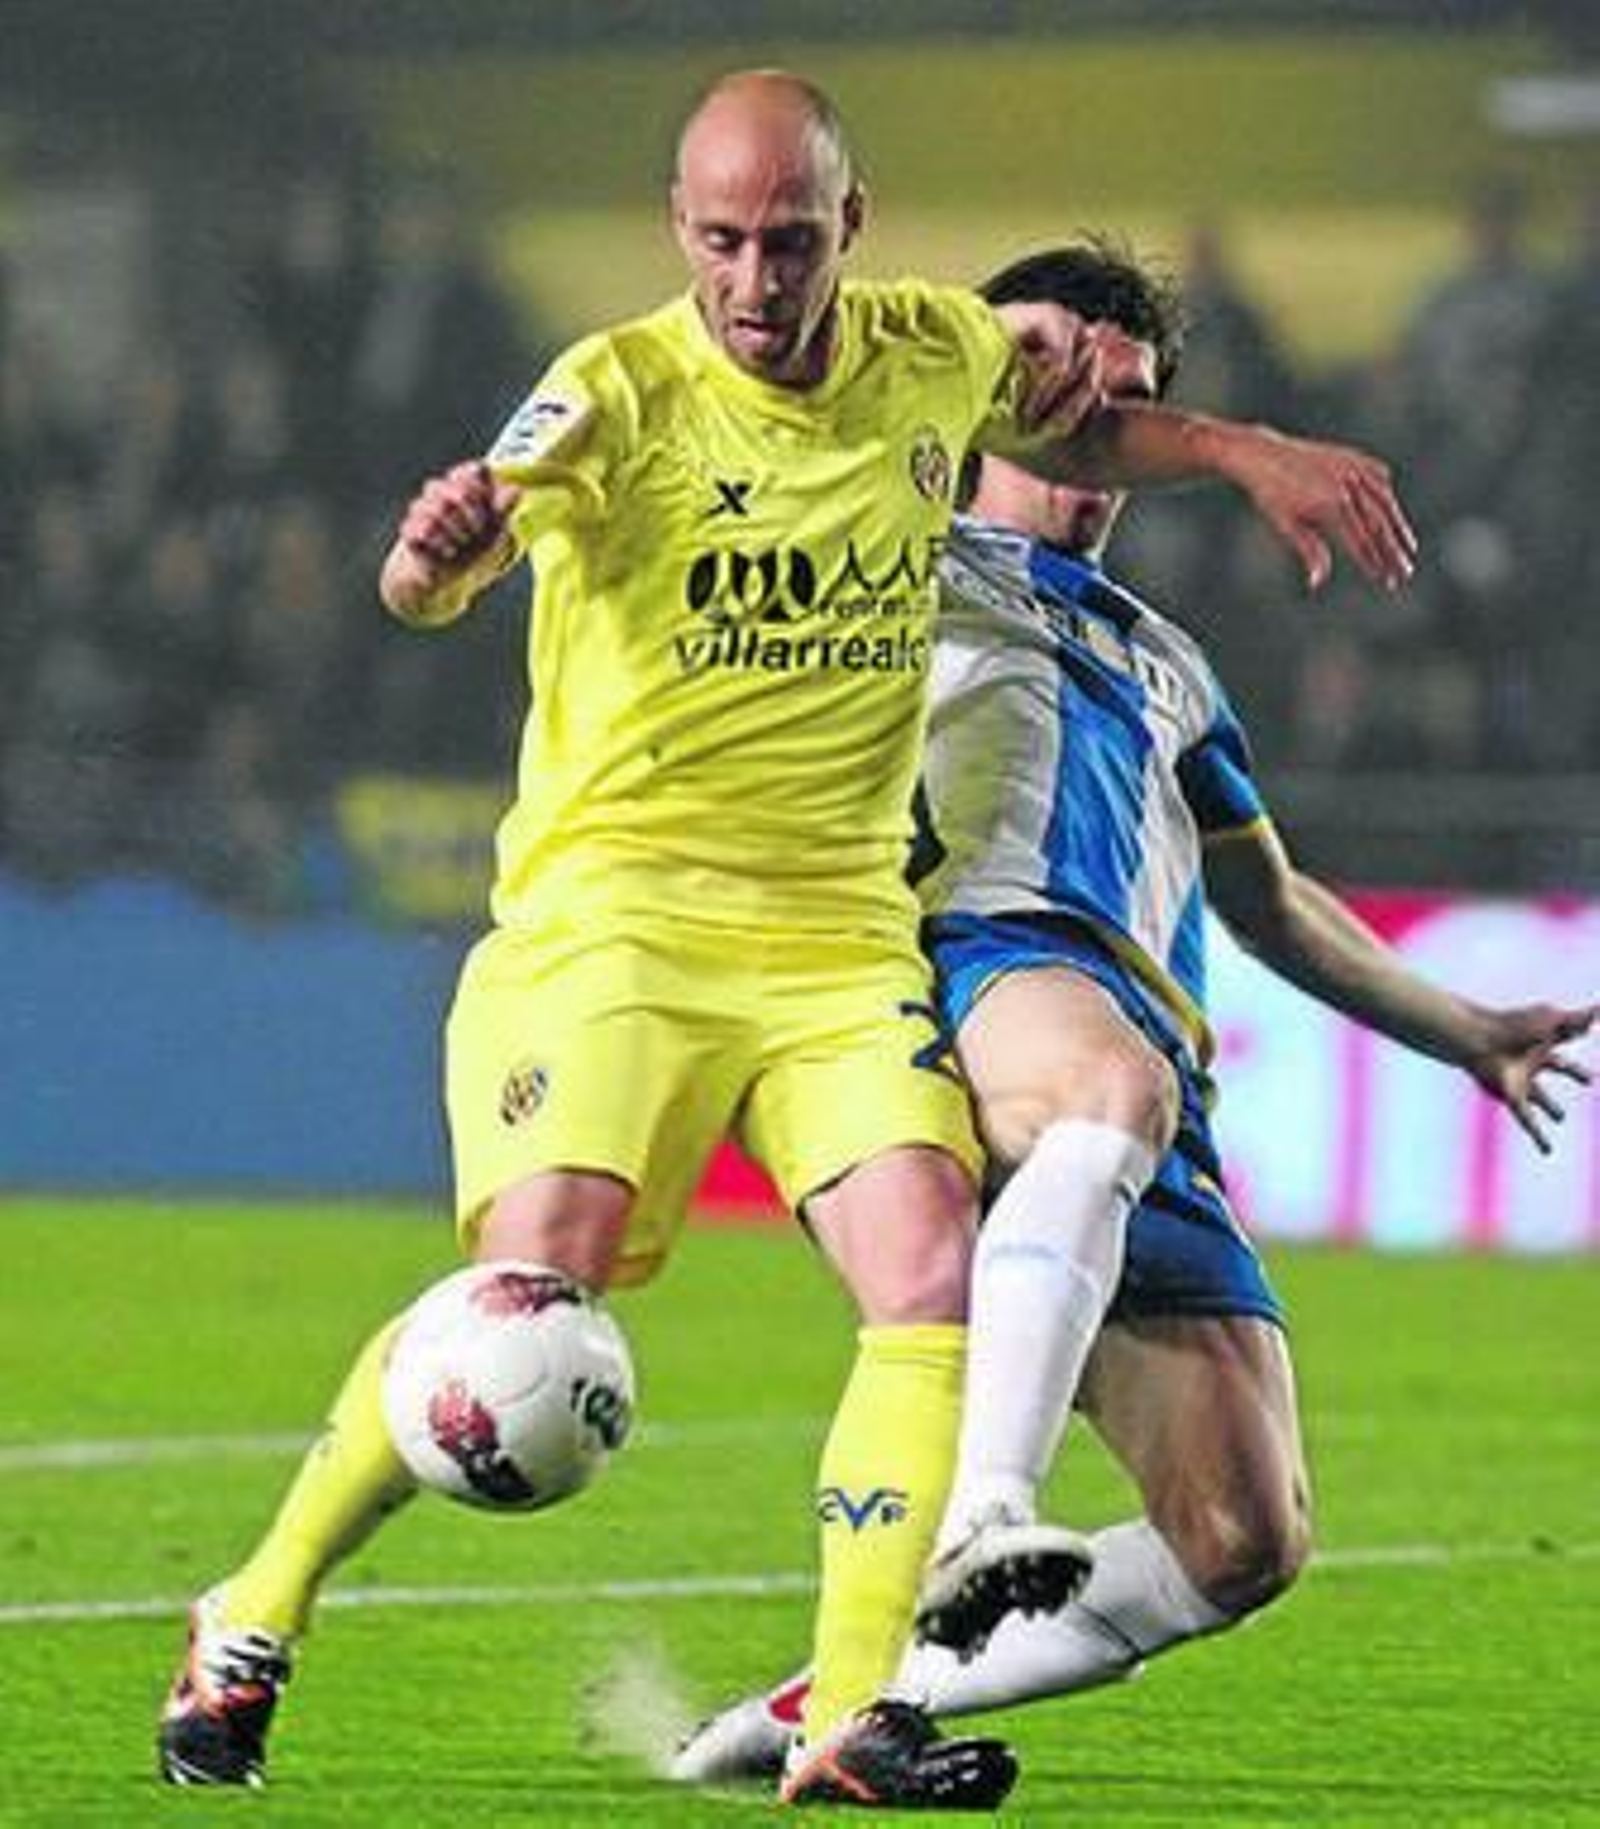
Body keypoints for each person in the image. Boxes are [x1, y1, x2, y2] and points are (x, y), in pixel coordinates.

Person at [155, 78, 1418, 1810]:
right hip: (622, 918)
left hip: (831, 942)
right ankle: (255, 1607)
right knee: (537, 1275)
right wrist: (427, 565)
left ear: (857, 224)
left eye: (794, 239)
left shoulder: (922, 359)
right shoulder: (613, 387)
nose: (758, 278)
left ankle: (847, 1718)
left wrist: (1249, 450)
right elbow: (457, 555)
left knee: (926, 1275)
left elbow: (1087, 435)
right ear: (681, 231)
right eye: (725, 241)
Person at [670, 238, 1595, 1782]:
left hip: (1146, 1073)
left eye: (1129, 391)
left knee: (1243, 1540)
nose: (1090, 409)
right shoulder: (888, 553)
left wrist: (1469, 1029)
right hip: (978, 971)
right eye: (1046, 361)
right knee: (1104, 1093)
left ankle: (854, 1695)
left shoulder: (1171, 665)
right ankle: (979, 1510)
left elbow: (1270, 901)